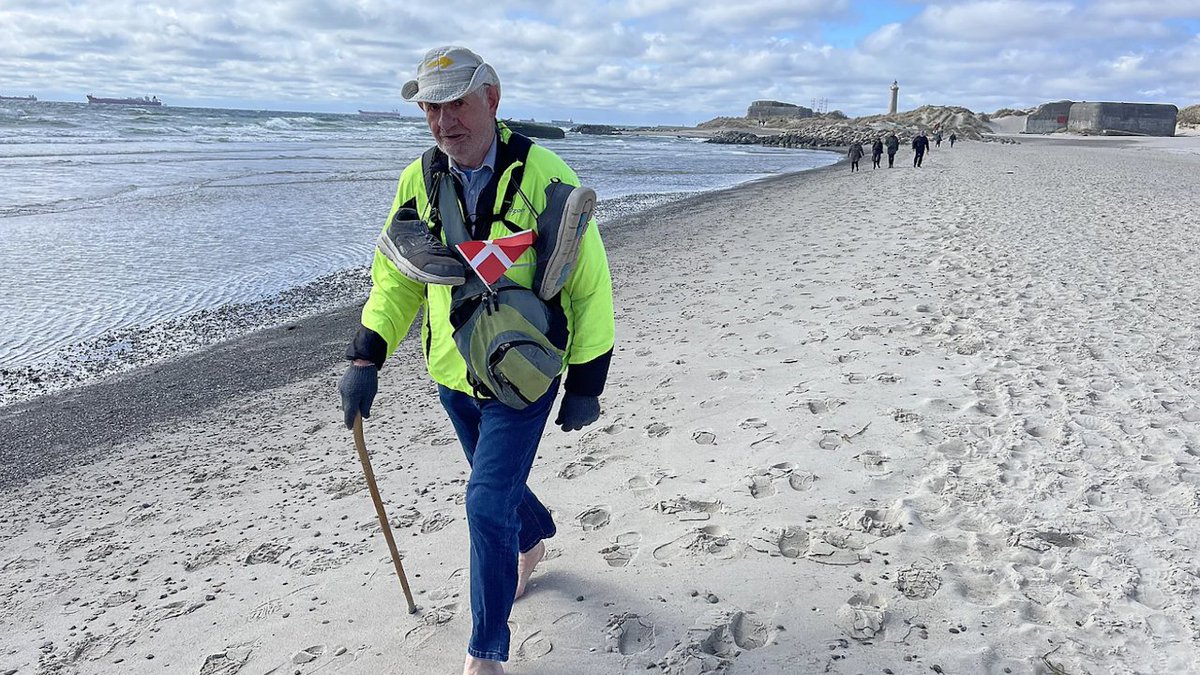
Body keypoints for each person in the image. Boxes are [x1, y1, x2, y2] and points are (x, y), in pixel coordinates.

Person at [338, 45, 615, 675]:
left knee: (486, 502)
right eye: (432, 108)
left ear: (491, 98)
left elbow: (589, 283)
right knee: (499, 492)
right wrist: (367, 356)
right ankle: (535, 537)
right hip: (453, 373)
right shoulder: (420, 180)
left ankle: (485, 653)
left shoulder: (545, 174)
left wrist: (587, 381)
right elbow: (399, 277)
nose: (444, 121)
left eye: (457, 102)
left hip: (527, 375)